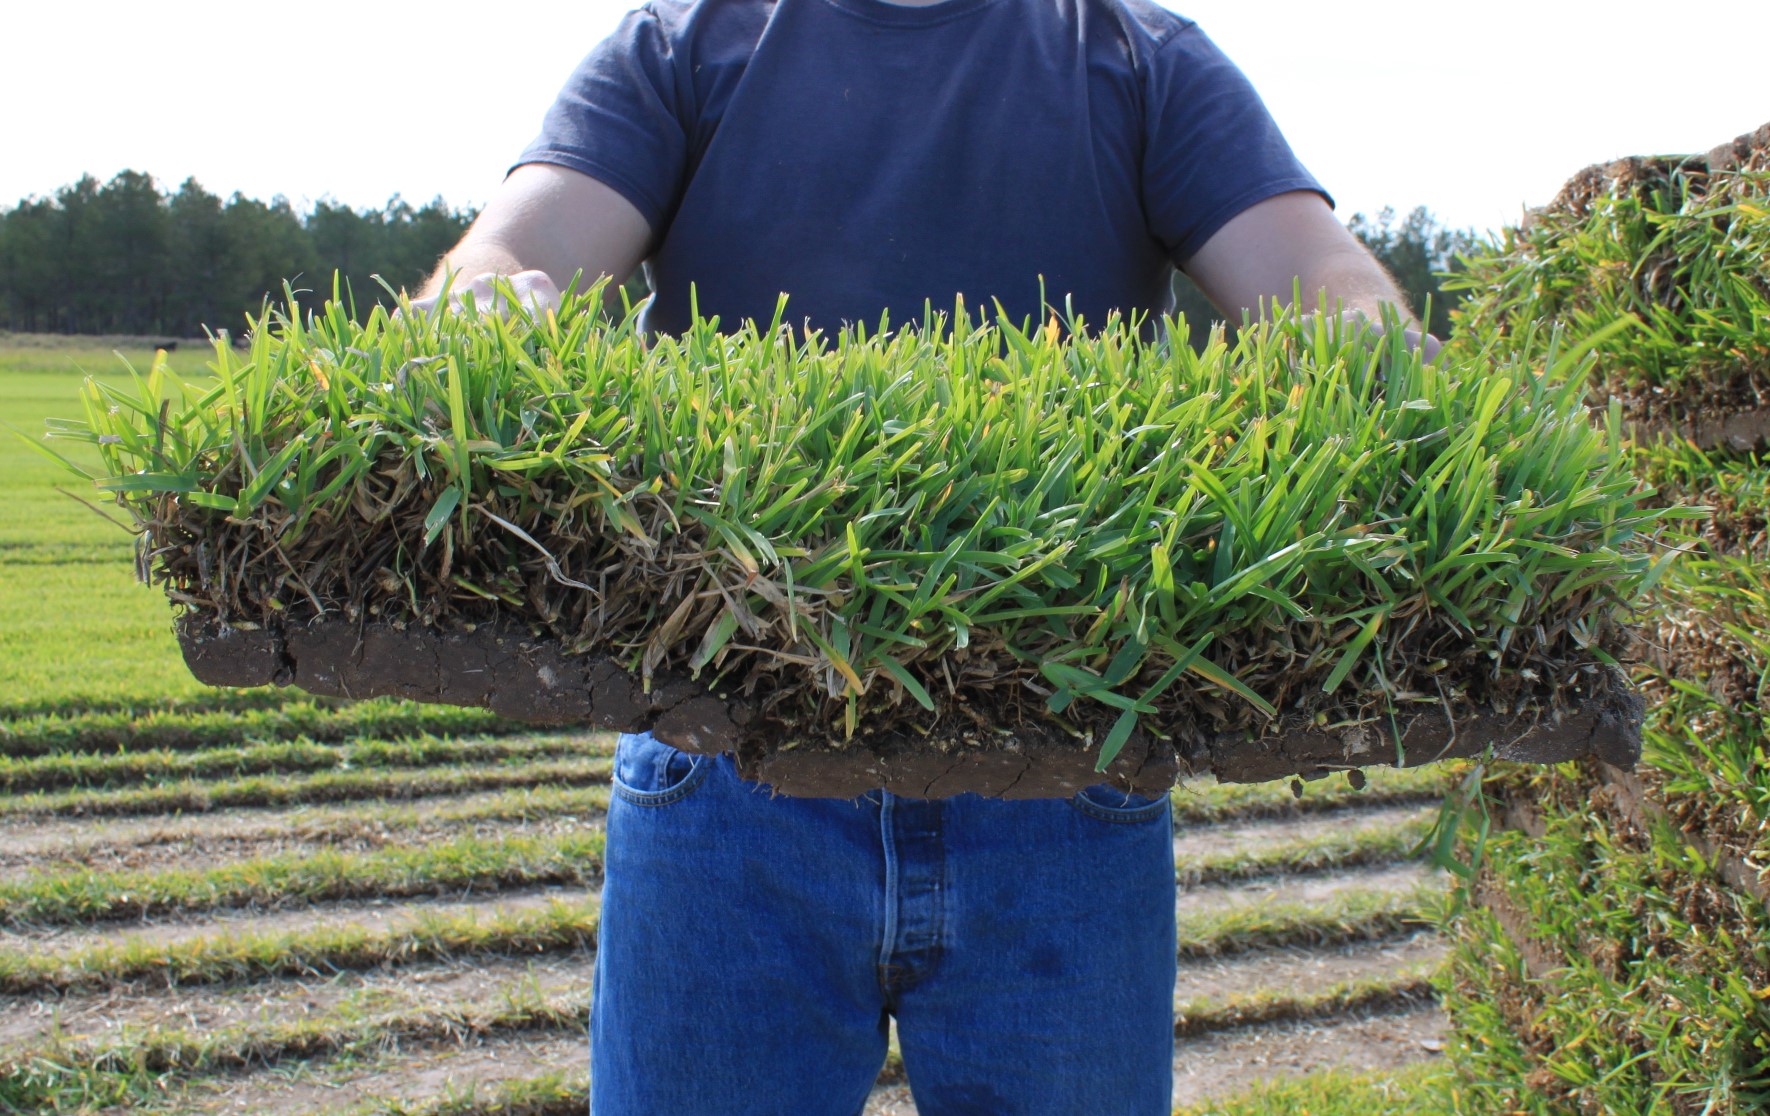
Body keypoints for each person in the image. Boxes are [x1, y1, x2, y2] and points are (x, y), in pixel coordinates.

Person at [416, 0, 1431, 1111]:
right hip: (727, 775)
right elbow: (529, 245)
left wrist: (1368, 337)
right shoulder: (685, 44)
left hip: (1064, 777)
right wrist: (481, 304)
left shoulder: (1138, 56)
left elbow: (1313, 280)